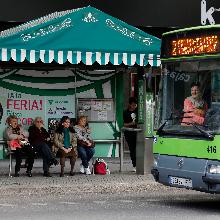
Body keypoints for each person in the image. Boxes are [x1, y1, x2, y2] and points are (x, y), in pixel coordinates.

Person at [123, 97, 137, 172]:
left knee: (138, 149)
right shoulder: (125, 112)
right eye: (133, 105)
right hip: (129, 133)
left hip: (138, 132)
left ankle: (139, 164)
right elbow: (123, 124)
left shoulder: (138, 112)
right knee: (132, 149)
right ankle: (134, 165)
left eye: (135, 105)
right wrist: (131, 124)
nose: (134, 106)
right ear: (129, 105)